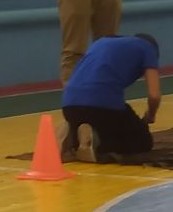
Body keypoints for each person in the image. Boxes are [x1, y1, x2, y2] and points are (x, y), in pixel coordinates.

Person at [59, 34, 161, 163]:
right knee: (142, 142)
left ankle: (74, 135)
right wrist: (150, 115)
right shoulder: (148, 49)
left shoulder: (100, 43)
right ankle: (98, 145)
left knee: (103, 119)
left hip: (69, 105)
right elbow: (154, 96)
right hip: (101, 105)